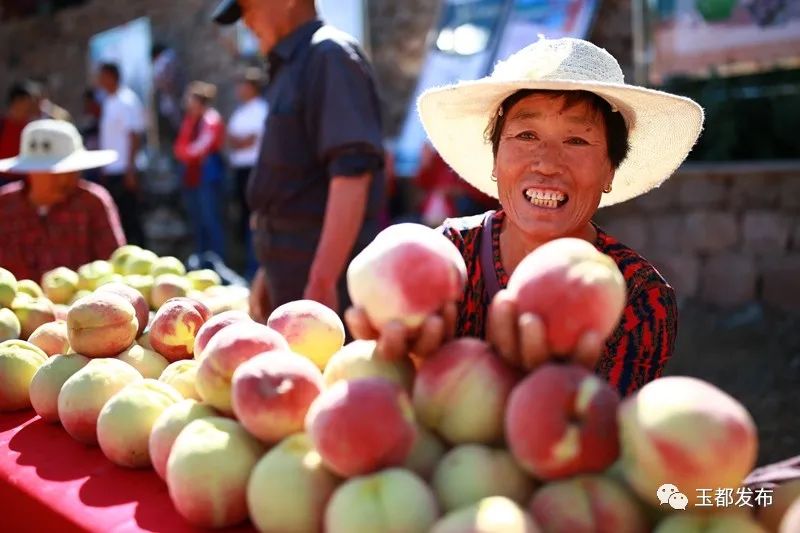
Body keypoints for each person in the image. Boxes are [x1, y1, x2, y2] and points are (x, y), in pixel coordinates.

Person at [346, 37, 705, 397]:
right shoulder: (448, 256)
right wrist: (415, 364)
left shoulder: (640, 297)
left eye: (577, 141)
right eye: (526, 135)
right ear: (495, 160)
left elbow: (605, 440)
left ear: (610, 171)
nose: (547, 163)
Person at [213, 0, 386, 320]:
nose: (246, 22)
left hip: (323, 284)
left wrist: (322, 281)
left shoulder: (329, 56)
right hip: (292, 273)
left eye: (248, 8)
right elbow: (288, 185)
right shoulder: (292, 64)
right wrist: (269, 269)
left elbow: (352, 175)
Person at [0, 119, 125, 281]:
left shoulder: (93, 202)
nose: (68, 178)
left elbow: (116, 264)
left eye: (74, 170)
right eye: (57, 172)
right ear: (30, 171)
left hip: (84, 304)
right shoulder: (4, 206)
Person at [174, 81, 227, 260]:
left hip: (207, 175)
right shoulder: (190, 121)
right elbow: (179, 148)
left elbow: (200, 148)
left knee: (210, 219)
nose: (187, 102)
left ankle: (217, 260)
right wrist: (187, 153)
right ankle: (202, 259)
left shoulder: (211, 119)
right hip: (192, 176)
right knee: (196, 220)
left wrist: (186, 153)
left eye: (190, 99)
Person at [96, 62, 147, 246]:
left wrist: (130, 170)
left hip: (125, 170)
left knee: (132, 220)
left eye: (102, 76)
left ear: (111, 76)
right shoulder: (109, 101)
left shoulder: (126, 100)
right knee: (121, 220)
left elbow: (134, 135)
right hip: (113, 170)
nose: (99, 81)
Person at [227, 67, 268, 279]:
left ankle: (258, 266)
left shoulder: (262, 109)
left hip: (256, 170)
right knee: (244, 218)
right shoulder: (240, 112)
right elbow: (232, 140)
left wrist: (240, 141)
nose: (238, 89)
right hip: (241, 172)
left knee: (256, 218)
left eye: (242, 84)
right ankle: (250, 266)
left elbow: (248, 140)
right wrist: (240, 141)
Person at [0, 82, 39, 181]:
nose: (31, 107)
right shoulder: (2, 125)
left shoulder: (33, 128)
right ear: (16, 101)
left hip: (24, 181)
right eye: (28, 102)